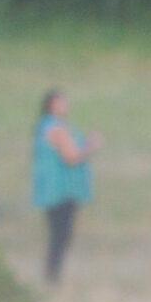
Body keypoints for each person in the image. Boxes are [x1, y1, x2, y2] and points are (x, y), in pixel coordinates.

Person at [32, 86, 99, 284]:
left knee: (59, 235)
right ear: (52, 105)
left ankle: (52, 274)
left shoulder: (47, 125)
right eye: (63, 102)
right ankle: (52, 276)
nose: (67, 105)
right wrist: (90, 146)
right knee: (61, 235)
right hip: (60, 191)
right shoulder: (55, 127)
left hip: (55, 191)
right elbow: (71, 156)